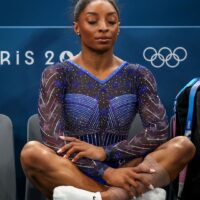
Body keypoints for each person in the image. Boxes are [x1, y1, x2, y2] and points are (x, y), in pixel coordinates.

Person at [20, 0, 196, 200]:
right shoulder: (57, 73)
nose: (103, 27)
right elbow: (54, 140)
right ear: (77, 27)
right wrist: (106, 173)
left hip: (125, 167)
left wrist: (105, 153)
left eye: (111, 21)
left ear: (118, 28)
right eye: (93, 21)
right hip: (73, 171)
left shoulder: (138, 74)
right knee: (32, 153)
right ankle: (122, 195)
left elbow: (158, 132)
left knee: (183, 146)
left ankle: (103, 197)